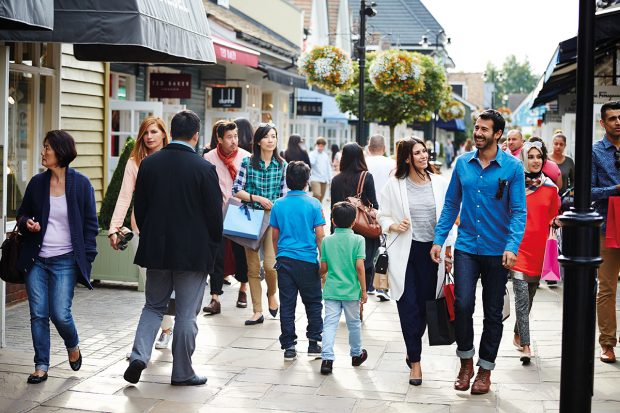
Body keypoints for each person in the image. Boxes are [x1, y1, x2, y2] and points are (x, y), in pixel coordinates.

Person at [430, 109, 526, 395]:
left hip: (498, 251)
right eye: (477, 127)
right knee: (462, 305)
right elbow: (450, 205)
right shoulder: (462, 165)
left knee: (493, 313)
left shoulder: (512, 168)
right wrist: (439, 238)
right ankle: (466, 362)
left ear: (498, 134)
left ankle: (485, 370)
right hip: (467, 246)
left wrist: (512, 246)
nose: (478, 133)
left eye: (484, 129)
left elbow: (519, 211)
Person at [123, 110, 222, 386]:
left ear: (171, 131)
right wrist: (212, 251)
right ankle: (182, 371)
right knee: (186, 314)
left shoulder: (150, 165)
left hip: (157, 250)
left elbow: (139, 209)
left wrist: (151, 234)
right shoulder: (204, 169)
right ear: (196, 135)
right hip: (193, 253)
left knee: (153, 306)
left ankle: (139, 356)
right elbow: (215, 217)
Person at [17, 130, 98, 384]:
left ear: (60, 152)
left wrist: (88, 257)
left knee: (60, 313)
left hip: (65, 260)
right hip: (37, 260)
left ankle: (72, 344)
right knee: (38, 313)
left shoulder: (81, 184)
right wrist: (26, 223)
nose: (43, 152)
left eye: (47, 148)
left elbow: (90, 225)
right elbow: (22, 214)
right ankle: (41, 365)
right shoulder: (37, 183)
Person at [378, 137, 454, 386]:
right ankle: (417, 363)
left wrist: (448, 248)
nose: (423, 156)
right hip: (405, 253)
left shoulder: (440, 183)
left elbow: (449, 217)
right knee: (407, 305)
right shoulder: (394, 184)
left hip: (432, 254)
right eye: (418, 153)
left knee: (424, 307)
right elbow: (382, 215)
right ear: (407, 158)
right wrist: (393, 225)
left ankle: (412, 348)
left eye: (425, 151)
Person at [108, 116, 174, 351]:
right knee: (150, 285)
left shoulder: (173, 158)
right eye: (146, 133)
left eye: (154, 132)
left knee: (170, 284)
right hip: (142, 230)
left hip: (172, 230)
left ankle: (165, 328)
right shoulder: (135, 161)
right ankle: (165, 328)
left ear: (164, 133)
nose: (149, 137)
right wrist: (114, 227)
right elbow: (125, 196)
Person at [232, 122, 287, 325]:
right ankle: (257, 311)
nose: (271, 140)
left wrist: (274, 207)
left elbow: (284, 194)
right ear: (258, 141)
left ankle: (272, 294)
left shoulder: (282, 165)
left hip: (273, 219)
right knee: (253, 268)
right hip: (251, 218)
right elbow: (236, 190)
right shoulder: (247, 163)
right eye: (267, 137)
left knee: (272, 266)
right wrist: (256, 198)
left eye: (274, 136)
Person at [270, 161, 325, 361]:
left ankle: (289, 347)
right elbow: (320, 236)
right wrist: (323, 261)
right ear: (307, 181)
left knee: (287, 304)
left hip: (285, 260)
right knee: (313, 303)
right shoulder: (314, 204)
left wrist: (279, 255)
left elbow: (274, 237)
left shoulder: (278, 204)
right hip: (308, 260)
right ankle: (313, 343)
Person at [511, 140, 560, 364]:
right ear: (524, 159)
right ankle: (526, 344)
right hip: (518, 248)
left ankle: (517, 331)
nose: (535, 161)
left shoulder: (551, 188)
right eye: (530, 156)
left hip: (540, 250)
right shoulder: (514, 185)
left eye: (539, 156)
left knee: (530, 295)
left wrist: (558, 221)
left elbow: (553, 215)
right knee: (521, 296)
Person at [203, 121, 251, 315]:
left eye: (236, 136)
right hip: (217, 213)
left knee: (242, 255)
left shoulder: (246, 157)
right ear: (219, 139)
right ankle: (215, 298)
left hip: (240, 212)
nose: (234, 141)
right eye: (229, 137)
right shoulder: (208, 158)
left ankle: (243, 289)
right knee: (217, 256)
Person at [319, 202, 368, 375]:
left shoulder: (327, 240)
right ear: (354, 221)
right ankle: (356, 354)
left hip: (332, 290)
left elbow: (323, 267)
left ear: (333, 221)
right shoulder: (358, 240)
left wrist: (319, 275)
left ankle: (327, 359)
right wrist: (363, 290)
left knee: (330, 324)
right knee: (354, 324)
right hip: (351, 291)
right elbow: (360, 267)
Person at [330, 142, 380, 297]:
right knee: (363, 265)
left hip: (341, 230)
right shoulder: (366, 177)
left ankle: (347, 295)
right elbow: (374, 205)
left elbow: (333, 208)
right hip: (363, 232)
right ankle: (360, 296)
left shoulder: (336, 180)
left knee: (344, 267)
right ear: (361, 157)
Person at [592, 100, 620, 363]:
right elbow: (587, 191)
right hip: (606, 226)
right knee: (607, 287)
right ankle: (607, 343)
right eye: (612, 118)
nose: (618, 122)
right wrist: (615, 189)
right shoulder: (595, 152)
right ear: (603, 123)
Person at [309, 137, 332, 202]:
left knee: (321, 197)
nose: (321, 148)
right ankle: (313, 207)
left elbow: (328, 167)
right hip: (314, 178)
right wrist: (316, 152)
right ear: (316, 145)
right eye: (319, 146)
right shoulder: (312, 154)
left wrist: (330, 177)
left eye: (322, 146)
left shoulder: (325, 155)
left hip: (324, 179)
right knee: (317, 194)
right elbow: (311, 162)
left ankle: (317, 210)